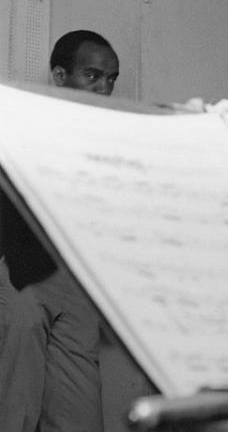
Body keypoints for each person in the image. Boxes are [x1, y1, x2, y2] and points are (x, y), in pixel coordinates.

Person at [0, 30, 119, 431]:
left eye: (111, 78)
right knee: (16, 415)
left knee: (82, 419)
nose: (104, 87)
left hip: (79, 288)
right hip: (23, 280)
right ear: (59, 75)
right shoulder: (21, 121)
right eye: (93, 75)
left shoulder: (112, 139)